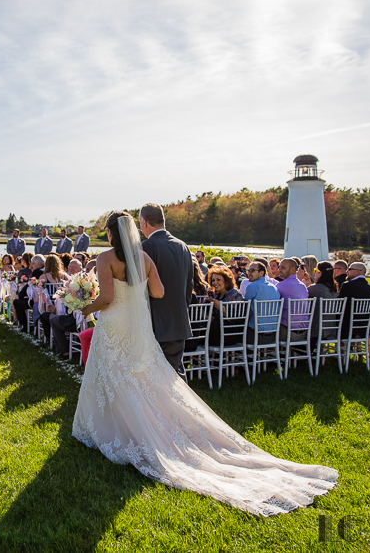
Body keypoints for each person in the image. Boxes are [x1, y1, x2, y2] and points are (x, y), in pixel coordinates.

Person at [72, 212, 337, 516]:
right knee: (144, 378)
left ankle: (112, 427)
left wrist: (84, 306)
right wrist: (134, 292)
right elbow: (158, 292)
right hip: (139, 326)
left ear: (110, 233)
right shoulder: (143, 257)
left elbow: (106, 297)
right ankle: (140, 425)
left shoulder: (106, 257)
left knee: (112, 375)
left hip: (116, 325)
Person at [139, 203, 194, 376]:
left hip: (156, 324)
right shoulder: (183, 246)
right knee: (175, 373)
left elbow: (142, 289)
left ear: (145, 222)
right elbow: (188, 286)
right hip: (178, 322)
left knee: (158, 378)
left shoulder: (147, 246)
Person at [337, 261, 370, 339]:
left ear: (357, 272)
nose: (347, 271)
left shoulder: (347, 285)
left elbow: (339, 304)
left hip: (347, 328)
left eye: (350, 269)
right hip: (364, 328)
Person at [243, 261, 280, 337]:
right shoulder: (274, 287)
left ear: (261, 273)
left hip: (255, 333)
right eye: (248, 270)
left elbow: (245, 309)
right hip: (273, 333)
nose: (249, 273)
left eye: (252, 270)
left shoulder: (252, 287)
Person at [275, 258, 309, 337]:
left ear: (292, 269)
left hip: (287, 332)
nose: (279, 270)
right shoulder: (303, 286)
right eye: (279, 267)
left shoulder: (281, 286)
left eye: (283, 268)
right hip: (303, 333)